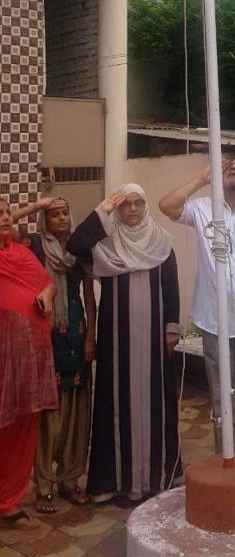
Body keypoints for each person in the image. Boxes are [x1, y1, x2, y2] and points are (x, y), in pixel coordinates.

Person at [159, 156, 235, 462]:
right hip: (214, 323)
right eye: (229, 166)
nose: (233, 168)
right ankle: (229, 467)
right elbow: (167, 205)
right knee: (221, 404)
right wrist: (202, 179)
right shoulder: (203, 208)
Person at [67, 183, 181, 502]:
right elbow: (75, 244)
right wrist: (101, 210)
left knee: (156, 402)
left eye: (137, 203)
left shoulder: (161, 243)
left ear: (145, 206)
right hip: (116, 339)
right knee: (116, 403)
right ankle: (115, 482)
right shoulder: (106, 245)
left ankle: (155, 478)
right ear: (117, 209)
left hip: (155, 340)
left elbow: (171, 289)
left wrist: (172, 328)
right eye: (125, 204)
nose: (132, 209)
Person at [11, 196, 96, 513]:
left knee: (76, 408)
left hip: (76, 329)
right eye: (54, 214)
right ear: (44, 221)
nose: (61, 217)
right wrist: (37, 205)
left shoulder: (78, 248)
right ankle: (44, 485)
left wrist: (91, 335)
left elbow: (89, 294)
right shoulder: (34, 244)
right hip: (44, 330)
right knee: (48, 409)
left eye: (65, 212)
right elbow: (5, 225)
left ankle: (70, 479)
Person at [0, 197, 57, 529]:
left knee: (22, 423)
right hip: (3, 358)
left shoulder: (22, 253)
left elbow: (48, 282)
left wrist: (47, 295)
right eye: (0, 214)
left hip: (28, 359)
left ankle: (9, 499)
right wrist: (34, 206)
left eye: (8, 213)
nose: (6, 218)